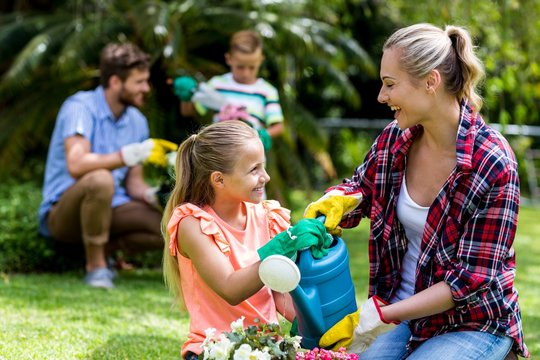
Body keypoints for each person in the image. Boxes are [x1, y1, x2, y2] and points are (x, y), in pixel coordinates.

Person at [307, 23, 529, 359]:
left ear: (430, 81)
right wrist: (335, 203)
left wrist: (382, 315)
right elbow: (360, 190)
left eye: (390, 85)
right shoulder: (396, 139)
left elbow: (468, 280)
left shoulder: (493, 164)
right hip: (402, 315)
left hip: (471, 321)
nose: (382, 97)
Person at [161, 120, 332, 359]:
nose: (266, 177)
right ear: (219, 179)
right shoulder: (193, 223)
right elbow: (230, 288)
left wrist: (319, 326)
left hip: (268, 348)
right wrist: (282, 247)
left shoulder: (266, 216)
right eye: (254, 170)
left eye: (263, 167)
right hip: (213, 350)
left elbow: (279, 293)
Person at [38, 42, 176, 289]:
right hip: (64, 214)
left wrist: (152, 195)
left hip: (112, 210)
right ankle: (96, 267)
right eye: (139, 82)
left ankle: (107, 252)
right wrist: (125, 155)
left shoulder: (137, 121)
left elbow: (133, 182)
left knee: (173, 222)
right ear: (115, 82)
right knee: (101, 178)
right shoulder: (80, 108)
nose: (146, 88)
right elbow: (77, 164)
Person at [174, 29, 284, 150]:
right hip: (220, 152)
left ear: (261, 60)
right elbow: (189, 112)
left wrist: (264, 135)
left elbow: (278, 126)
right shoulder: (217, 84)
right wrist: (186, 96)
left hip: (250, 153)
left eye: (252, 67)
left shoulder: (267, 91)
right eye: (240, 67)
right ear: (229, 59)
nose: (246, 73)